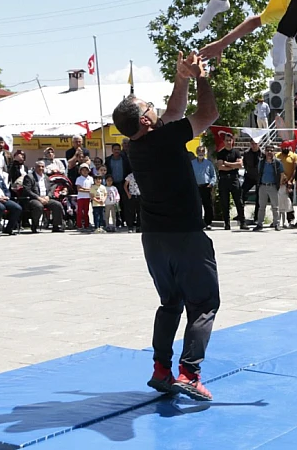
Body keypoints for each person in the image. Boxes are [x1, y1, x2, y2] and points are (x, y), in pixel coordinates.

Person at [111, 50, 220, 402]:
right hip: (186, 236)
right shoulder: (166, 138)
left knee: (170, 302)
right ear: (145, 121)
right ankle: (189, 372)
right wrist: (201, 76)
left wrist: (181, 76)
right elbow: (208, 114)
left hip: (154, 240)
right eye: (148, 108)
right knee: (203, 304)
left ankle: (161, 370)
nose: (154, 109)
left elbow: (173, 113)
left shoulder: (134, 146)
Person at [216, 134, 249, 231]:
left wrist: (227, 164)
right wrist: (232, 166)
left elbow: (240, 165)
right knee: (224, 202)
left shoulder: (236, 152)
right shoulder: (221, 153)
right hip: (224, 179)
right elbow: (220, 167)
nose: (228, 142)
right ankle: (227, 223)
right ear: (224, 141)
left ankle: (242, 222)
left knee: (239, 201)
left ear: (232, 141)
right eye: (226, 140)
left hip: (234, 179)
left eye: (230, 140)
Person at [23, 161, 65, 233]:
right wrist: (39, 198)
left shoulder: (46, 177)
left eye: (42, 166)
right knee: (39, 206)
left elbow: (52, 188)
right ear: (35, 167)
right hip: (34, 199)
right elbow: (27, 190)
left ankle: (56, 226)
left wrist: (48, 196)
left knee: (57, 205)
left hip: (45, 198)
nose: (41, 168)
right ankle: (35, 226)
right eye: (39, 166)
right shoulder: (29, 177)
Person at [255, 144, 284, 231]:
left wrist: (279, 184)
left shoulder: (277, 162)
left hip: (273, 186)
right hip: (263, 186)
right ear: (265, 152)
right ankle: (259, 224)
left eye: (271, 150)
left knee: (275, 207)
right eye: (267, 151)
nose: (269, 152)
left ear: (274, 152)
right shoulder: (261, 162)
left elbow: (282, 174)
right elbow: (259, 172)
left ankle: (277, 223)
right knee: (261, 207)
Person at [106, 143, 132, 228]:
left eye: (118, 149)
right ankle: (117, 221)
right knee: (115, 204)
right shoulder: (108, 160)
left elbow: (129, 171)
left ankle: (127, 221)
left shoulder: (125, 159)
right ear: (112, 150)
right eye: (115, 149)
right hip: (113, 185)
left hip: (123, 184)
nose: (117, 151)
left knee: (125, 203)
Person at [192, 145, 217, 230]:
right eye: (199, 151)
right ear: (196, 152)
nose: (201, 153)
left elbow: (213, 175)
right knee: (196, 205)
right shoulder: (192, 163)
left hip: (206, 186)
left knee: (207, 205)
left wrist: (211, 184)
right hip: (196, 187)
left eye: (202, 151)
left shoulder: (208, 163)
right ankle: (197, 222)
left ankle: (208, 223)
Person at [276, 142, 297, 227]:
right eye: (284, 147)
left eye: (287, 147)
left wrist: (290, 180)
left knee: (289, 202)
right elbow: (276, 168)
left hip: (290, 182)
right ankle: (277, 220)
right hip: (280, 182)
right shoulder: (277, 156)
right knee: (279, 201)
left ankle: (290, 220)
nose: (285, 148)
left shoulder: (294, 156)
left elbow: (295, 170)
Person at [242, 140, 264, 223]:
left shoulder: (263, 154)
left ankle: (257, 217)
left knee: (259, 197)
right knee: (242, 193)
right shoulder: (246, 153)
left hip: (259, 177)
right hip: (250, 176)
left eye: (256, 144)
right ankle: (241, 215)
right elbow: (245, 164)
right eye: (252, 144)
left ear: (259, 144)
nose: (254, 145)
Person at [75, 164, 93, 231]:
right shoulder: (79, 179)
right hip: (80, 197)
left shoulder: (90, 178)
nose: (85, 171)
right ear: (80, 171)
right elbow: (79, 189)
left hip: (88, 197)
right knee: (79, 211)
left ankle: (86, 224)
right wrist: (87, 190)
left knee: (86, 211)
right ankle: (79, 225)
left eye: (86, 170)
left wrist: (84, 189)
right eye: (83, 170)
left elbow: (92, 188)